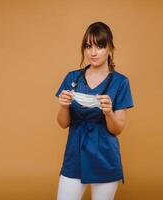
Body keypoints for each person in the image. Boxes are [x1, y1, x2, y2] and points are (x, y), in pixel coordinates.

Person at [55, 21, 134, 200]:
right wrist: (63, 105)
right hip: (75, 155)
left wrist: (108, 113)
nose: (93, 52)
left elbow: (117, 129)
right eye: (88, 46)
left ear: (110, 48)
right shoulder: (72, 78)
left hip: (105, 157)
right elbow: (63, 123)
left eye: (99, 46)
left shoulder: (120, 82)